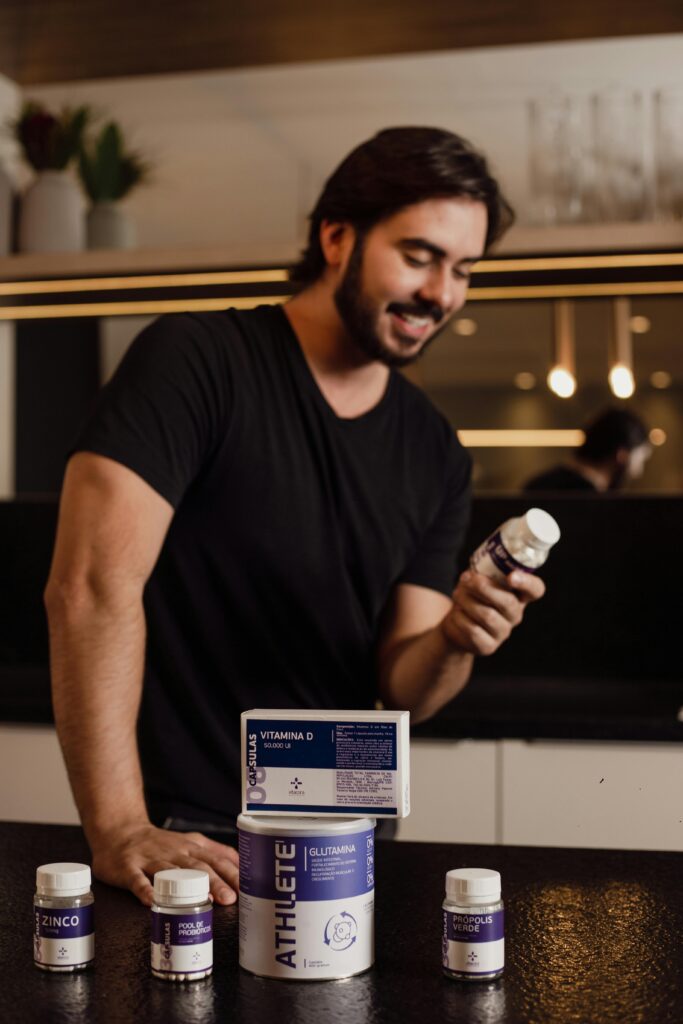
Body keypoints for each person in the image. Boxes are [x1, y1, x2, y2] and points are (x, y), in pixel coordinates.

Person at [45, 126, 545, 909]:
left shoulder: (436, 452)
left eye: (462, 269)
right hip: (191, 834)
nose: (441, 294)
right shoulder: (196, 361)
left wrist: (454, 637)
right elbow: (90, 587)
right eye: (418, 256)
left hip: (350, 832)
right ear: (337, 236)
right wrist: (118, 827)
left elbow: (402, 687)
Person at [524, 407, 651, 493]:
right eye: (640, 460)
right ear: (621, 456)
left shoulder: (539, 483)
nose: (638, 472)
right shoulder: (595, 502)